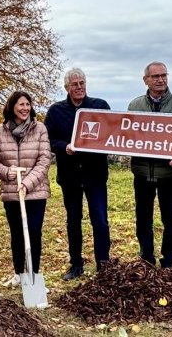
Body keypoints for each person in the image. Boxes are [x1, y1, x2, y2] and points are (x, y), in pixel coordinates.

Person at [44, 68, 112, 280]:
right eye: (75, 84)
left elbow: (112, 133)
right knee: (73, 220)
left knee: (100, 220)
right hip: (70, 176)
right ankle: (76, 264)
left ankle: (104, 264)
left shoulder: (100, 106)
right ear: (67, 87)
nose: (79, 87)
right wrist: (65, 147)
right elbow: (48, 139)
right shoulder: (55, 111)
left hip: (95, 175)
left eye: (82, 83)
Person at [126, 62, 172, 269]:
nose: (160, 79)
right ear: (145, 80)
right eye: (155, 76)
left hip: (169, 173)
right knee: (143, 217)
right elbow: (129, 136)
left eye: (164, 75)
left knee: (170, 218)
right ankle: (146, 257)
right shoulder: (134, 105)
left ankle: (169, 261)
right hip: (142, 172)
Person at [0, 91, 52, 286]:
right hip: (11, 192)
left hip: (36, 191)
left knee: (34, 232)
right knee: (16, 233)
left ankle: (34, 275)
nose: (25, 108)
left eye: (27, 105)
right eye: (21, 105)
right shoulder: (0, 131)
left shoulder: (39, 129)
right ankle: (18, 274)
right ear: (12, 107)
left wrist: (27, 182)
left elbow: (44, 159)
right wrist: (8, 173)